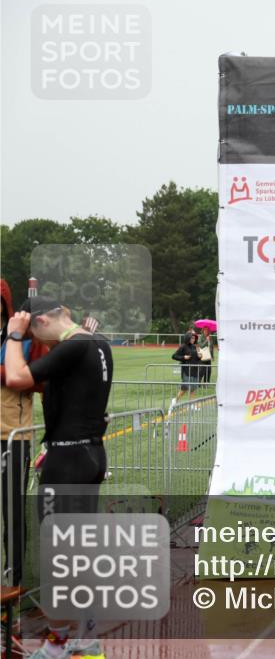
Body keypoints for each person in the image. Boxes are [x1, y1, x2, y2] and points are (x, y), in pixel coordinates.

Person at [4, 296, 113, 659]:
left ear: (42, 322)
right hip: (86, 454)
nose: (42, 348)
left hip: (69, 463)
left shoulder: (74, 345)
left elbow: (17, 377)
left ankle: (62, 643)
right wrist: (54, 443)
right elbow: (78, 402)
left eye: (39, 339)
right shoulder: (97, 343)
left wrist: (14, 336)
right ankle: (84, 640)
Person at [0, 278, 48, 586]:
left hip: (12, 436)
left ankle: (14, 580)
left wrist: (8, 374)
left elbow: (41, 381)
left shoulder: (25, 338)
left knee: (13, 511)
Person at [172, 332, 200, 406]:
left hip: (195, 370)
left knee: (193, 389)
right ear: (188, 338)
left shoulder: (194, 347)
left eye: (194, 338)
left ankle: (191, 405)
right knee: (185, 388)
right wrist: (183, 357)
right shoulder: (183, 346)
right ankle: (175, 400)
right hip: (186, 371)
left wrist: (199, 356)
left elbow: (196, 358)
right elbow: (174, 356)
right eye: (192, 338)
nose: (193, 339)